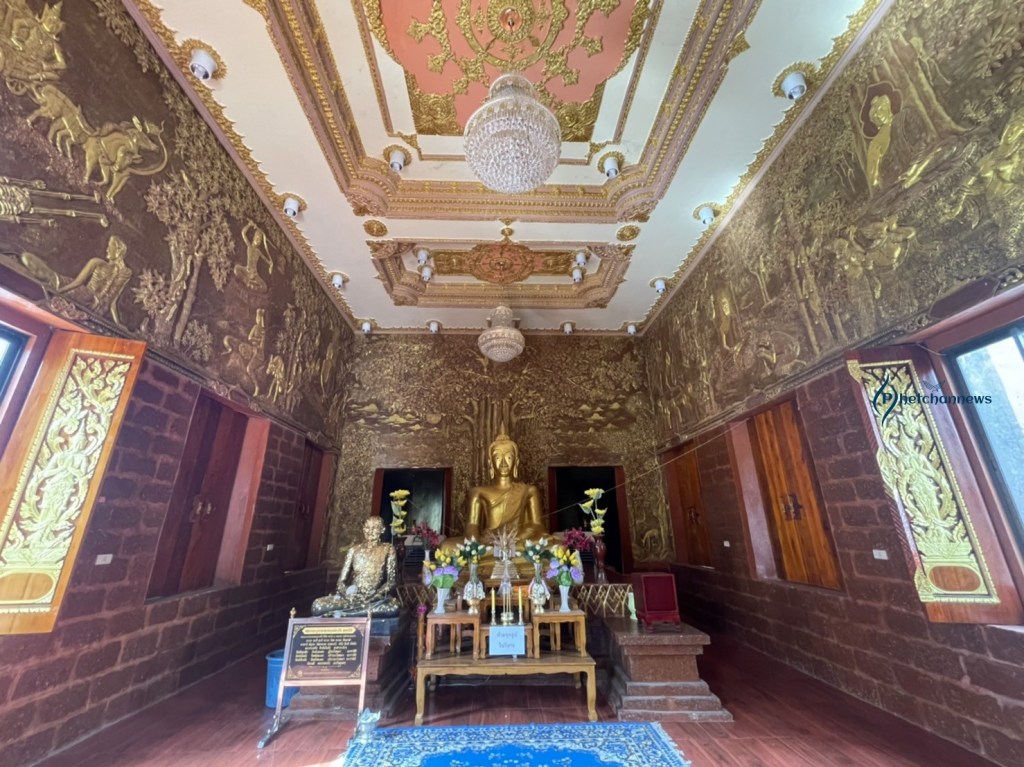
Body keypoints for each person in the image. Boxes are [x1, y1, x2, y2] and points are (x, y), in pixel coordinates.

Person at [311, 517, 400, 617]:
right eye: (367, 527)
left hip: (374, 599)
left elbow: (391, 581)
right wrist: (348, 595)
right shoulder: (354, 550)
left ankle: (344, 614)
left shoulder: (388, 549)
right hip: (352, 598)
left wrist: (376, 595)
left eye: (374, 528)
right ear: (363, 529)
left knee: (393, 608)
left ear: (382, 530)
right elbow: (341, 582)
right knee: (317, 606)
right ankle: (355, 612)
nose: (370, 531)